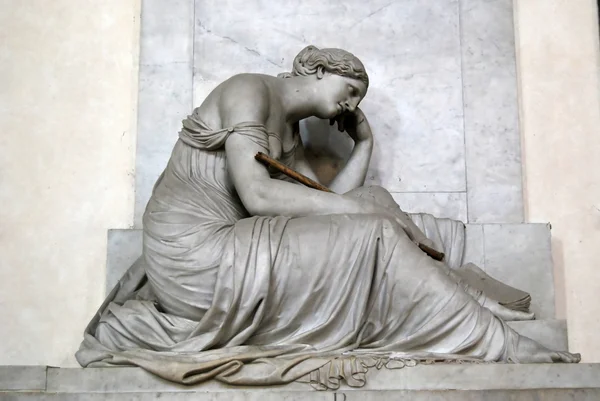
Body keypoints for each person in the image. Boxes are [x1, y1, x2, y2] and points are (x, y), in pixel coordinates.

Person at [76, 45, 580, 387]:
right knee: (375, 227)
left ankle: (468, 300)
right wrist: (370, 219)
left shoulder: (290, 132)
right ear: (317, 71)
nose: (352, 103)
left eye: (358, 98)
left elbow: (318, 207)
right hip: (196, 258)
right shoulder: (248, 91)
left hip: (238, 243)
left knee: (375, 202)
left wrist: (364, 143)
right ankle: (492, 337)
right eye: (351, 88)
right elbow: (260, 198)